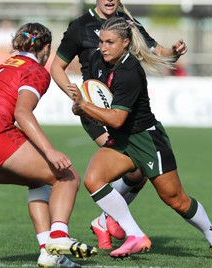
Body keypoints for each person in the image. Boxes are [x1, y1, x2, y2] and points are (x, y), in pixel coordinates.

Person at [67, 16, 212, 260]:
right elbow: (95, 97)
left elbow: (115, 119)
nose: (102, 47)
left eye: (110, 42)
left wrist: (84, 106)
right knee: (93, 179)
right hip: (122, 141)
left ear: (125, 43)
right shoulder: (97, 59)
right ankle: (134, 234)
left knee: (176, 200)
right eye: (101, 41)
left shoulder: (130, 71)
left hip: (146, 140)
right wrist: (81, 107)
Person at [0, 22, 97, 267]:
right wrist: (50, 151)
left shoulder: (5, 65)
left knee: (39, 179)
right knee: (67, 175)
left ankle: (48, 254)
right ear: (46, 48)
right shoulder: (36, 70)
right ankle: (59, 236)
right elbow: (22, 112)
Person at [50, 0, 188, 250]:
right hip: (96, 112)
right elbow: (56, 67)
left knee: (137, 172)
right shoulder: (80, 27)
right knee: (125, 170)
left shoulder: (128, 24)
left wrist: (175, 51)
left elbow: (157, 52)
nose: (110, 0)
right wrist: (77, 97)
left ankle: (105, 221)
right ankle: (109, 222)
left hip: (124, 111)